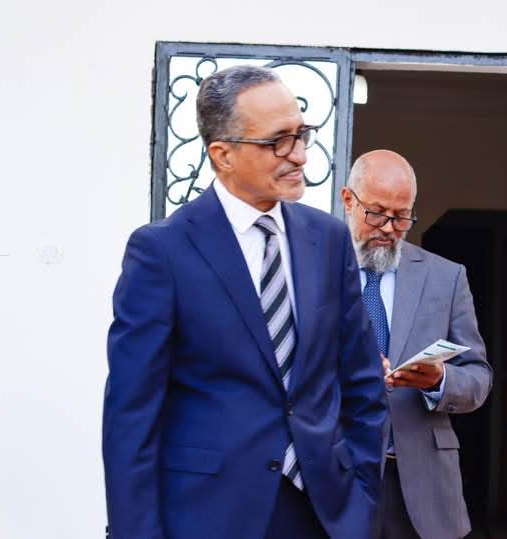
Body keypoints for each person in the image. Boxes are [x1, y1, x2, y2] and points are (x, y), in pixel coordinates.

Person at [102, 65, 387, 539]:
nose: (299, 155)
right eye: (277, 141)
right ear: (223, 154)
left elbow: (362, 383)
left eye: (302, 134)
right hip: (206, 517)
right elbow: (131, 415)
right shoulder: (162, 251)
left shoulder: (329, 239)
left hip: (326, 513)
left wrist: (361, 503)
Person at [342, 149, 493, 539]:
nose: (389, 228)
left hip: (424, 490)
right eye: (376, 213)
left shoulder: (447, 277)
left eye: (401, 216)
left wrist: (439, 380)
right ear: (348, 200)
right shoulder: (318, 268)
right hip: (337, 478)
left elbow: (478, 378)